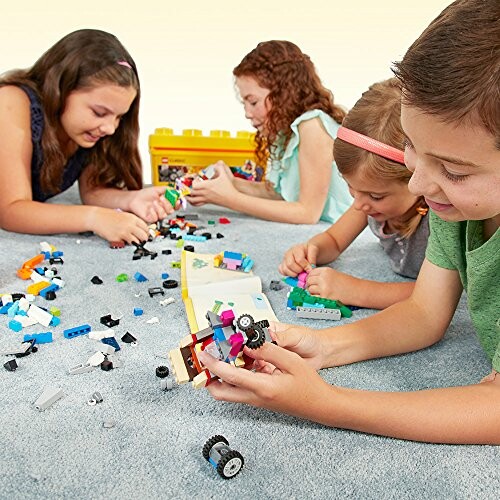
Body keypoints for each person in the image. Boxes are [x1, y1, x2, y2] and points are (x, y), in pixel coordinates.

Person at [197, 0, 500, 444]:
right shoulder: (453, 205)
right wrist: (324, 345)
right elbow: (423, 313)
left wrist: (327, 403)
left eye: (453, 171)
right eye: (413, 146)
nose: (418, 182)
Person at [0, 29, 175, 244]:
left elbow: (92, 192)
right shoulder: (10, 101)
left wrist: (131, 199)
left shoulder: (87, 133)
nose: (110, 128)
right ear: (60, 90)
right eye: (99, 113)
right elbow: (11, 210)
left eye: (119, 117)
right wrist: (93, 218)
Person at [279, 78, 429, 309]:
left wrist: (357, 291)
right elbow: (334, 240)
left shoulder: (440, 218)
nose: (359, 204)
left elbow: (439, 294)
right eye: (352, 188)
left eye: (376, 196)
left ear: (419, 179)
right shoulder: (366, 200)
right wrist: (312, 249)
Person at [187, 40, 352, 224]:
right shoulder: (288, 131)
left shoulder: (312, 126)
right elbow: (280, 194)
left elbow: (307, 213)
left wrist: (229, 198)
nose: (247, 114)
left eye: (253, 102)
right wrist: (232, 183)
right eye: (245, 104)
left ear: (283, 94)